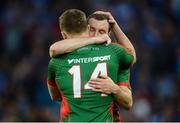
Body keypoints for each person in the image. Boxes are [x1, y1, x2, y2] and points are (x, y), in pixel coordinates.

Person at [47, 9, 134, 122]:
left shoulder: (56, 62)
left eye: (101, 32)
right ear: (87, 28)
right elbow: (131, 55)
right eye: (93, 30)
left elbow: (56, 96)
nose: (97, 35)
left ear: (63, 35)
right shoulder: (114, 53)